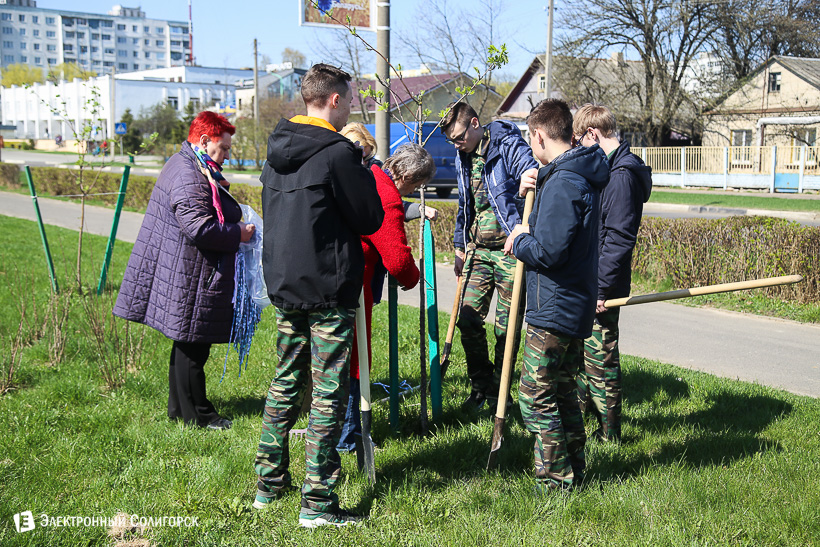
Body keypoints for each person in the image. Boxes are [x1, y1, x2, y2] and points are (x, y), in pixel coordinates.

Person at [253, 63, 384, 528]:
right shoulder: (338, 153)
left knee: (286, 379)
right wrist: (363, 168)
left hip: (285, 284)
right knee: (328, 390)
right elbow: (370, 217)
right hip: (328, 288)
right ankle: (318, 503)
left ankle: (267, 485)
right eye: (347, 99)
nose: (349, 106)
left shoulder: (274, 150)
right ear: (332, 100)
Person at [113, 111, 254, 431]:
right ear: (204, 141)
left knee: (186, 342)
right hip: (191, 274)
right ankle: (199, 416)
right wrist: (239, 234)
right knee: (194, 345)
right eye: (224, 147)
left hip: (186, 270)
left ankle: (180, 408)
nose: (228, 154)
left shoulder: (191, 165)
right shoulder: (189, 173)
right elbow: (200, 227)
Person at [504, 98, 609, 491]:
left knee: (533, 395)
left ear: (539, 134)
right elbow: (551, 226)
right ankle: (575, 472)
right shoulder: (568, 175)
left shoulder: (565, 181)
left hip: (555, 304)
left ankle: (554, 479)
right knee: (563, 391)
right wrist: (531, 189)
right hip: (569, 302)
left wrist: (519, 241)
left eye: (530, 139)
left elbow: (548, 250)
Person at [336, 143, 436, 453]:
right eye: (417, 184)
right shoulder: (386, 196)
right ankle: (349, 439)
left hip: (330, 277)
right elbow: (397, 259)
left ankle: (332, 434)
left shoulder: (370, 175)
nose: (416, 189)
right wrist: (413, 278)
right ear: (406, 175)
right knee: (354, 362)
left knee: (333, 359)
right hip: (352, 285)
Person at [440, 101, 538, 409]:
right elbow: (464, 205)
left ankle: (500, 394)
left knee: (505, 329)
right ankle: (480, 386)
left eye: (459, 137)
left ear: (474, 123)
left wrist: (528, 175)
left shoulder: (505, 140)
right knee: (466, 319)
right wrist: (459, 246)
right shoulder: (462, 155)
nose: (456, 144)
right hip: (478, 251)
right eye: (451, 141)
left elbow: (531, 167)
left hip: (511, 251)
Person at [572, 104, 652, 442]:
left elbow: (619, 238)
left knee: (601, 358)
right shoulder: (611, 168)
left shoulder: (622, 176)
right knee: (583, 354)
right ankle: (583, 422)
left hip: (603, 286)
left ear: (593, 134)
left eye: (579, 141)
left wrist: (601, 290)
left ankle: (610, 435)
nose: (578, 149)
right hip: (592, 282)